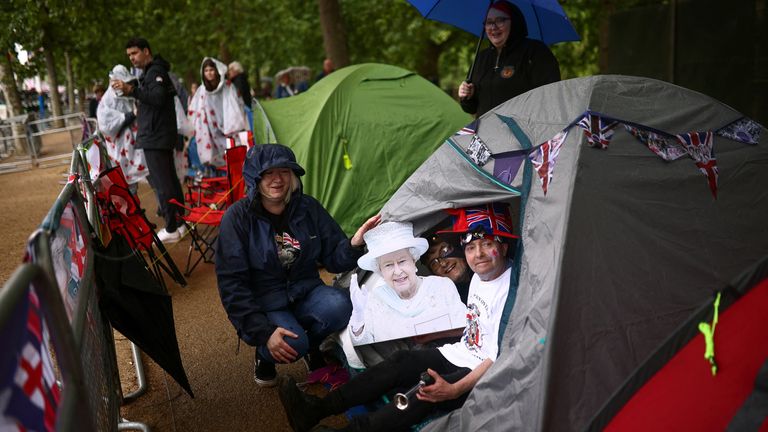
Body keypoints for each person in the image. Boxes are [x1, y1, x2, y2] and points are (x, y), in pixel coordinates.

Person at [279, 202, 518, 432]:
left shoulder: (512, 288)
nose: (478, 254)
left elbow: (497, 356)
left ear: (504, 247)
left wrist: (455, 388)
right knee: (401, 361)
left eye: (487, 244)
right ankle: (316, 409)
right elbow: (476, 325)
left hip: (483, 372)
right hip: (461, 353)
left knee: (424, 392)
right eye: (470, 248)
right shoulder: (478, 277)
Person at [216, 144, 381, 388]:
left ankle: (311, 346)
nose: (277, 179)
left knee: (341, 305)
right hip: (267, 300)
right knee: (294, 344)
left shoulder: (307, 208)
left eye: (284, 171)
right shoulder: (238, 218)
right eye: (269, 173)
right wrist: (263, 332)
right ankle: (264, 356)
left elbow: (334, 258)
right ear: (256, 178)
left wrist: (354, 244)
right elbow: (232, 284)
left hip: (305, 290)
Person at [111, 37, 186, 243]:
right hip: (158, 136)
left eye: (134, 53)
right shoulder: (152, 72)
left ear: (146, 51)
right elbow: (153, 96)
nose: (132, 58)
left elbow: (158, 98)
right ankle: (180, 223)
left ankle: (171, 228)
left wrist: (131, 90)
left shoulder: (155, 72)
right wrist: (135, 88)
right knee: (169, 181)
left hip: (156, 137)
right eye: (129, 56)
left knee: (163, 184)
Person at [347, 221, 467, 345]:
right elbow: (364, 347)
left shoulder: (441, 286)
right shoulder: (372, 301)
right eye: (388, 265)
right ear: (380, 270)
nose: (398, 271)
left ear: (413, 260)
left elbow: (466, 328)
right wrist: (358, 317)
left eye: (402, 261)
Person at [458, 0, 561, 118]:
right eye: (488, 22)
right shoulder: (481, 58)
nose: (493, 27)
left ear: (514, 22)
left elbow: (551, 96)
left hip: (523, 132)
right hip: (486, 134)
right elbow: (472, 108)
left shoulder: (535, 51)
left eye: (500, 20)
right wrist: (467, 96)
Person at [187, 57, 249, 168]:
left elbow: (236, 105)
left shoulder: (228, 86)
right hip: (210, 129)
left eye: (211, 70)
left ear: (217, 70)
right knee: (213, 156)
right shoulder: (202, 90)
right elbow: (195, 110)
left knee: (233, 151)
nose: (209, 73)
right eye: (206, 71)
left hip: (228, 127)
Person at [97, 65, 147, 191]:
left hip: (135, 146)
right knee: (124, 183)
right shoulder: (107, 101)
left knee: (136, 178)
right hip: (118, 149)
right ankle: (132, 208)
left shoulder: (129, 96)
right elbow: (107, 126)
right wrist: (129, 116)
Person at [421, 225, 473, 304]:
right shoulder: (446, 304)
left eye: (445, 251)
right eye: (434, 263)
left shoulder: (490, 271)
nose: (443, 263)